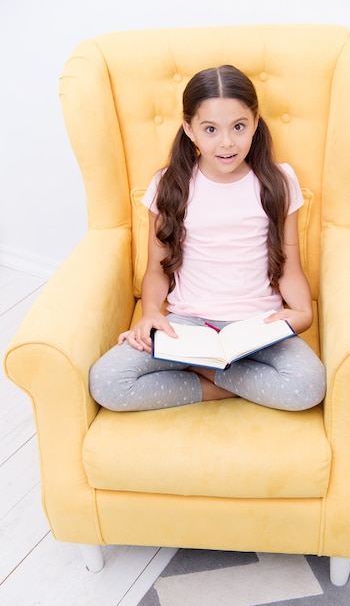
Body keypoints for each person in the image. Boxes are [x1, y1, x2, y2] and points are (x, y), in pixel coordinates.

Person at [89, 65, 326, 412]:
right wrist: (151, 312)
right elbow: (157, 270)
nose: (227, 142)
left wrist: (303, 312)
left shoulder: (279, 181)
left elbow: (289, 265)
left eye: (239, 127)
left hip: (258, 325)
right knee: (107, 382)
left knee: (308, 385)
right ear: (189, 129)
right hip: (187, 324)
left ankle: (204, 369)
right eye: (211, 129)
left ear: (256, 122)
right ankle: (229, 379)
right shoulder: (169, 184)